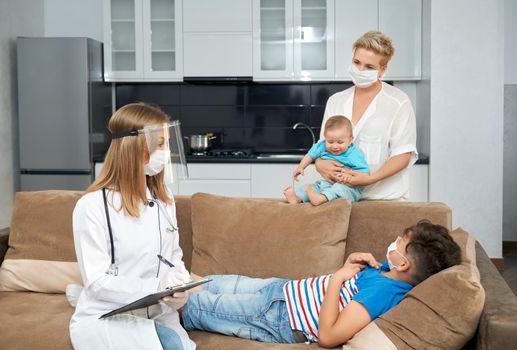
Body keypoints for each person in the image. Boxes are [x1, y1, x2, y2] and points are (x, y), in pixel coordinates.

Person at [181, 221, 461, 347]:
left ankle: (143, 311)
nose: (394, 241)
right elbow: (358, 283)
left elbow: (328, 336)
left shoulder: (382, 294)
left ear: (405, 264)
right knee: (205, 282)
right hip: (282, 290)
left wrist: (339, 277)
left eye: (400, 241)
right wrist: (353, 263)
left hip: (280, 317)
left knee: (194, 305)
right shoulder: (390, 271)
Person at [69, 103, 195, 350]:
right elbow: (97, 283)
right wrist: (157, 286)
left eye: (167, 143)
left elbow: (174, 257)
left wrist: (179, 287)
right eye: (160, 144)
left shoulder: (163, 199)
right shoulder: (92, 207)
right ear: (135, 146)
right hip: (110, 315)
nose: (166, 152)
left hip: (158, 313)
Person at [317, 31, 418, 200]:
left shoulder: (398, 102)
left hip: (385, 198)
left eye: (369, 67)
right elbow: (323, 146)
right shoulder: (336, 101)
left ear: (383, 69)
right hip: (340, 197)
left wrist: (370, 179)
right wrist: (320, 164)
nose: (360, 70)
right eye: (357, 62)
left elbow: (403, 154)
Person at [284, 116, 369, 205]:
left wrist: (350, 176)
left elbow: (365, 174)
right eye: (330, 142)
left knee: (339, 189)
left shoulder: (354, 154)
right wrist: (301, 167)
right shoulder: (322, 145)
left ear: (350, 139)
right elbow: (310, 155)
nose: (335, 146)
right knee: (313, 187)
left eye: (340, 142)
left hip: (348, 187)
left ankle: (321, 198)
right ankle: (297, 198)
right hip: (326, 183)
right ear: (325, 138)